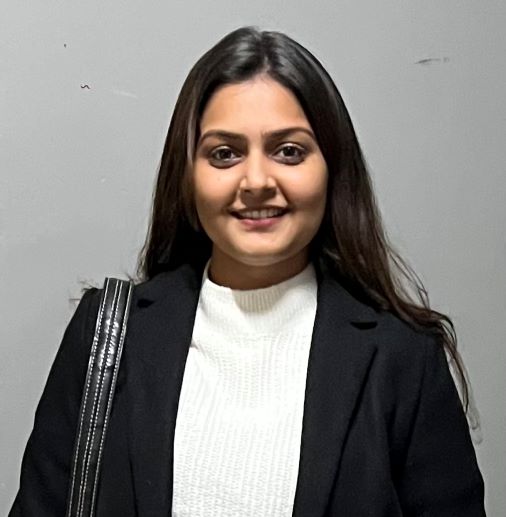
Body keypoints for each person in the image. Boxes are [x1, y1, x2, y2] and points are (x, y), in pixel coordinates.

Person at [10, 26, 485, 516]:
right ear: (188, 174)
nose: (256, 181)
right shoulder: (108, 334)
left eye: (289, 151)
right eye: (224, 154)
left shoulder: (403, 358)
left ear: (331, 167)